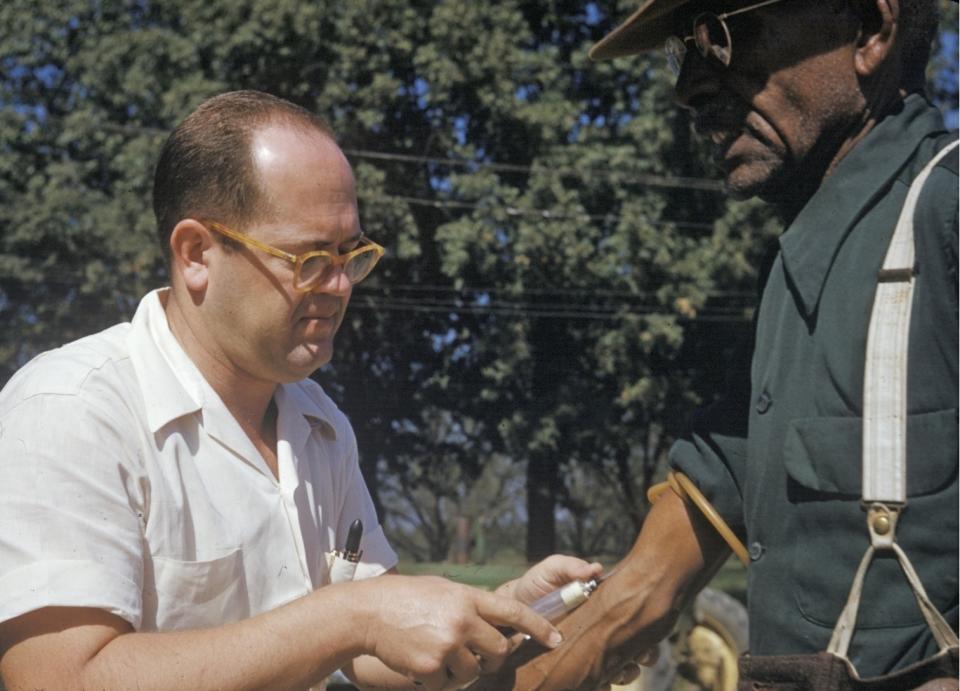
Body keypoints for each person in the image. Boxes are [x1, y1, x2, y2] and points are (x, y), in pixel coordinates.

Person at [0, 90, 602, 691]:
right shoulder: (72, 411)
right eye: (310, 257)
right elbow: (55, 679)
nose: (340, 285)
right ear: (196, 254)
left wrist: (499, 615)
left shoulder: (319, 421)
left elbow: (373, 644)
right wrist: (347, 617)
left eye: (350, 254)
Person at [480, 0, 958, 688]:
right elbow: (637, 596)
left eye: (722, 34)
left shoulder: (945, 213)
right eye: (682, 49)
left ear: (871, 31)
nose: (688, 86)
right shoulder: (795, 280)